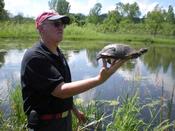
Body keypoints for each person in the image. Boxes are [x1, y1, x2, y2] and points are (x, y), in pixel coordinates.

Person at [20, 11, 128, 131]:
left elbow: (64, 88)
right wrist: (99, 80)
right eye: (56, 24)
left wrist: (75, 111)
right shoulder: (35, 57)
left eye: (62, 24)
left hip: (64, 121)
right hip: (45, 124)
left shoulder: (58, 53)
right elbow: (60, 91)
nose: (61, 27)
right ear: (41, 28)